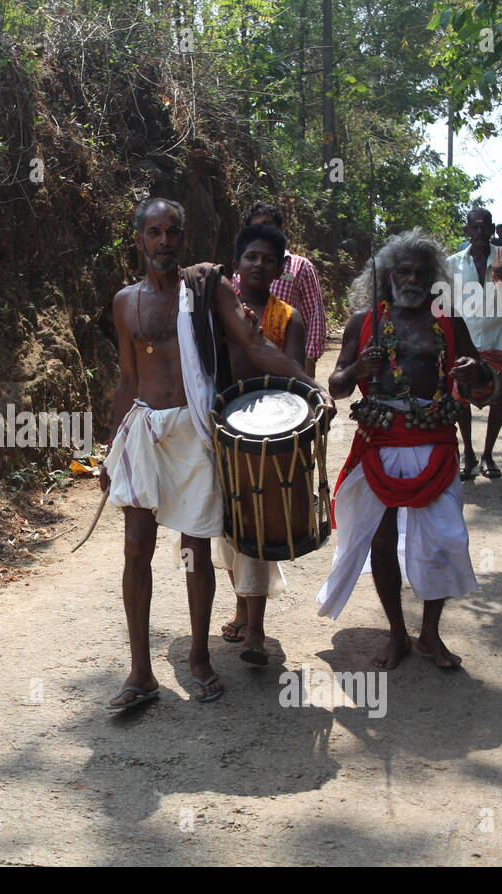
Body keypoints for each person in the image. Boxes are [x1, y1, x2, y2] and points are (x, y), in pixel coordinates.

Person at [101, 197, 329, 711]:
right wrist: (112, 446)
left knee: (195, 548)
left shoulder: (205, 289)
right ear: (139, 239)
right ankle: (141, 673)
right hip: (143, 427)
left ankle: (200, 659)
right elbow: (128, 378)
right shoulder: (124, 301)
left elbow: (255, 344)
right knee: (135, 546)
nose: (163, 241)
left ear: (184, 237)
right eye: (154, 232)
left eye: (172, 232)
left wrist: (311, 386)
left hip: (192, 427)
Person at [317, 228, 493, 670]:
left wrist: (475, 370)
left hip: (434, 440)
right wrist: (360, 365)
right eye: (402, 271)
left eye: (419, 271)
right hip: (380, 440)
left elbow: (484, 389)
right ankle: (397, 633)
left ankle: (430, 634)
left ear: (433, 277)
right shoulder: (365, 321)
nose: (410, 279)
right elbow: (336, 387)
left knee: (445, 539)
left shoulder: (448, 321)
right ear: (386, 276)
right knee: (381, 535)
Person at [216, 223, 306, 666]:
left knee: (257, 524)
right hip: (220, 428)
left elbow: (292, 373)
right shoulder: (215, 311)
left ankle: (256, 631)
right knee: (227, 527)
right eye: (250, 256)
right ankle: (240, 607)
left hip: (269, 436)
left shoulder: (289, 317)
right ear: (236, 264)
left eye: (268, 259)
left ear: (279, 270)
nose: (258, 264)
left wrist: (256, 337)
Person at [447, 208, 502, 480]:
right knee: (460, 399)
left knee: (499, 396)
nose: (479, 233)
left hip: (499, 336)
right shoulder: (451, 264)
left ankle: (488, 453)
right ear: (467, 230)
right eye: (474, 228)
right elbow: (445, 304)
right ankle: (467, 452)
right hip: (465, 340)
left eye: (484, 228)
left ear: (491, 230)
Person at [237, 202, 327, 377]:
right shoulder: (241, 268)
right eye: (256, 227)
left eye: (267, 225)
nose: (263, 232)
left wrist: (310, 359)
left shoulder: (300, 266)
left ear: (280, 228)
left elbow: (314, 314)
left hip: (289, 353)